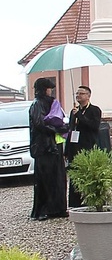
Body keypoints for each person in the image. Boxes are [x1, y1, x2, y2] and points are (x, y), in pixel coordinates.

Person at [29, 78, 68, 220]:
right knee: (45, 180)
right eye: (49, 88)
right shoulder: (37, 104)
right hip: (43, 147)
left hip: (54, 146)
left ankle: (58, 208)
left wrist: (63, 126)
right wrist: (57, 129)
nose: (50, 91)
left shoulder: (52, 103)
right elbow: (39, 124)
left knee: (57, 178)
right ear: (44, 89)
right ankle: (43, 209)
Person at [65, 85, 102, 208]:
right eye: (77, 93)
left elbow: (93, 126)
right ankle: (75, 203)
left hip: (87, 145)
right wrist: (66, 150)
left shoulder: (94, 110)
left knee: (88, 174)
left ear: (88, 96)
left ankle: (89, 200)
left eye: (81, 93)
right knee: (75, 175)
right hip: (74, 147)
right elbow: (71, 130)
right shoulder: (73, 111)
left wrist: (80, 115)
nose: (78, 96)